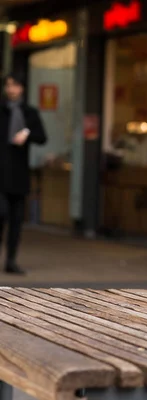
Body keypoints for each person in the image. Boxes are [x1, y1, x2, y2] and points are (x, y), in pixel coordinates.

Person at [0, 73, 47, 274]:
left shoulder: (29, 113)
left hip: (18, 175)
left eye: (15, 85)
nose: (11, 89)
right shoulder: (0, 111)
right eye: (8, 85)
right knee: (0, 214)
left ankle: (11, 260)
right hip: (0, 174)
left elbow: (42, 137)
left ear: (22, 88)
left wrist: (26, 133)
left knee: (16, 221)